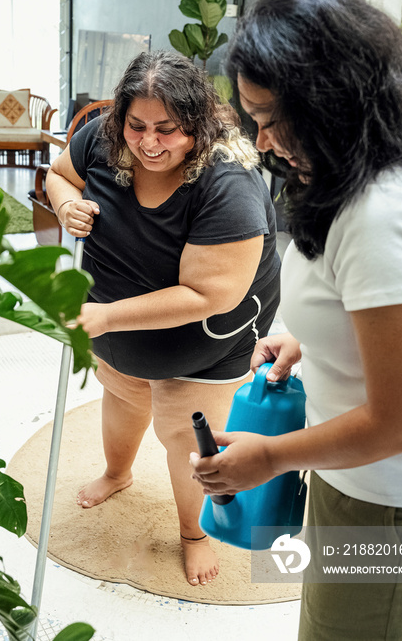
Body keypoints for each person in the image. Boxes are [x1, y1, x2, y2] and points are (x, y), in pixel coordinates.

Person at [190, 0, 402, 638]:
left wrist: (271, 457)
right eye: (254, 120)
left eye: (274, 118)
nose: (264, 141)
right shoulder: (354, 171)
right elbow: (391, 310)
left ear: (335, 97)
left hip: (394, 499)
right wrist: (312, 338)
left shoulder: (385, 213)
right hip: (358, 478)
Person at [46, 50, 280, 587]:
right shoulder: (103, 140)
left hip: (205, 338)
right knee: (124, 393)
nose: (149, 143)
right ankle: (117, 472)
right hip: (116, 322)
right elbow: (60, 175)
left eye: (168, 130)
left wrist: (105, 316)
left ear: (196, 124)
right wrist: (64, 204)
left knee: (186, 432)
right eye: (137, 126)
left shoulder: (229, 182)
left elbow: (210, 293)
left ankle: (195, 534)